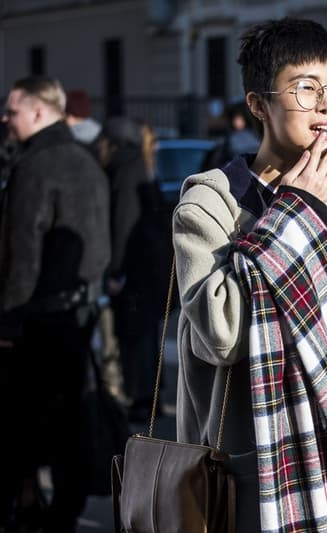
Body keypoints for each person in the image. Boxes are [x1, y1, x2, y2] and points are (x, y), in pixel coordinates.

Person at [173, 18, 327, 533]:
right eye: (305, 89)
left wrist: (321, 348)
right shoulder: (213, 205)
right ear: (258, 104)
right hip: (264, 482)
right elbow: (221, 336)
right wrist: (295, 211)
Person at [0, 76, 110, 533]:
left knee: (23, 421)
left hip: (38, 319)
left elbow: (21, 258)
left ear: (40, 112)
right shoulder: (86, 161)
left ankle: (28, 505)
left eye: (13, 111)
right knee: (70, 419)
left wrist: (6, 325)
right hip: (81, 312)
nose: (6, 119)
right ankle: (64, 506)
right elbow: (100, 246)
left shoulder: (34, 167)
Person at [96, 116, 167, 422]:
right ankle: (149, 397)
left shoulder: (124, 172)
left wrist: (115, 272)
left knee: (136, 338)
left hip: (134, 272)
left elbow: (122, 225)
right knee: (146, 337)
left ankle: (142, 400)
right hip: (148, 269)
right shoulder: (139, 168)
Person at [202, 101, 262, 170]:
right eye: (234, 117)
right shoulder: (256, 138)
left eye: (238, 117)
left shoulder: (235, 140)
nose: (236, 121)